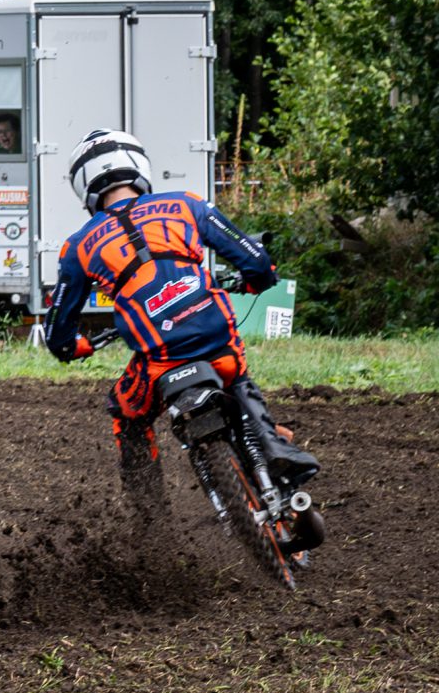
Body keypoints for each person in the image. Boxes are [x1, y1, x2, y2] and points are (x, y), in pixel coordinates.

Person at [42, 128, 319, 499]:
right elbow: (255, 260)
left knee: (126, 412)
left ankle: (149, 514)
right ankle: (274, 446)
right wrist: (258, 279)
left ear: (84, 185)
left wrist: (73, 346)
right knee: (236, 375)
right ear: (138, 166)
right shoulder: (187, 204)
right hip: (216, 337)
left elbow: (58, 328)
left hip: (158, 360)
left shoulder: (78, 247)